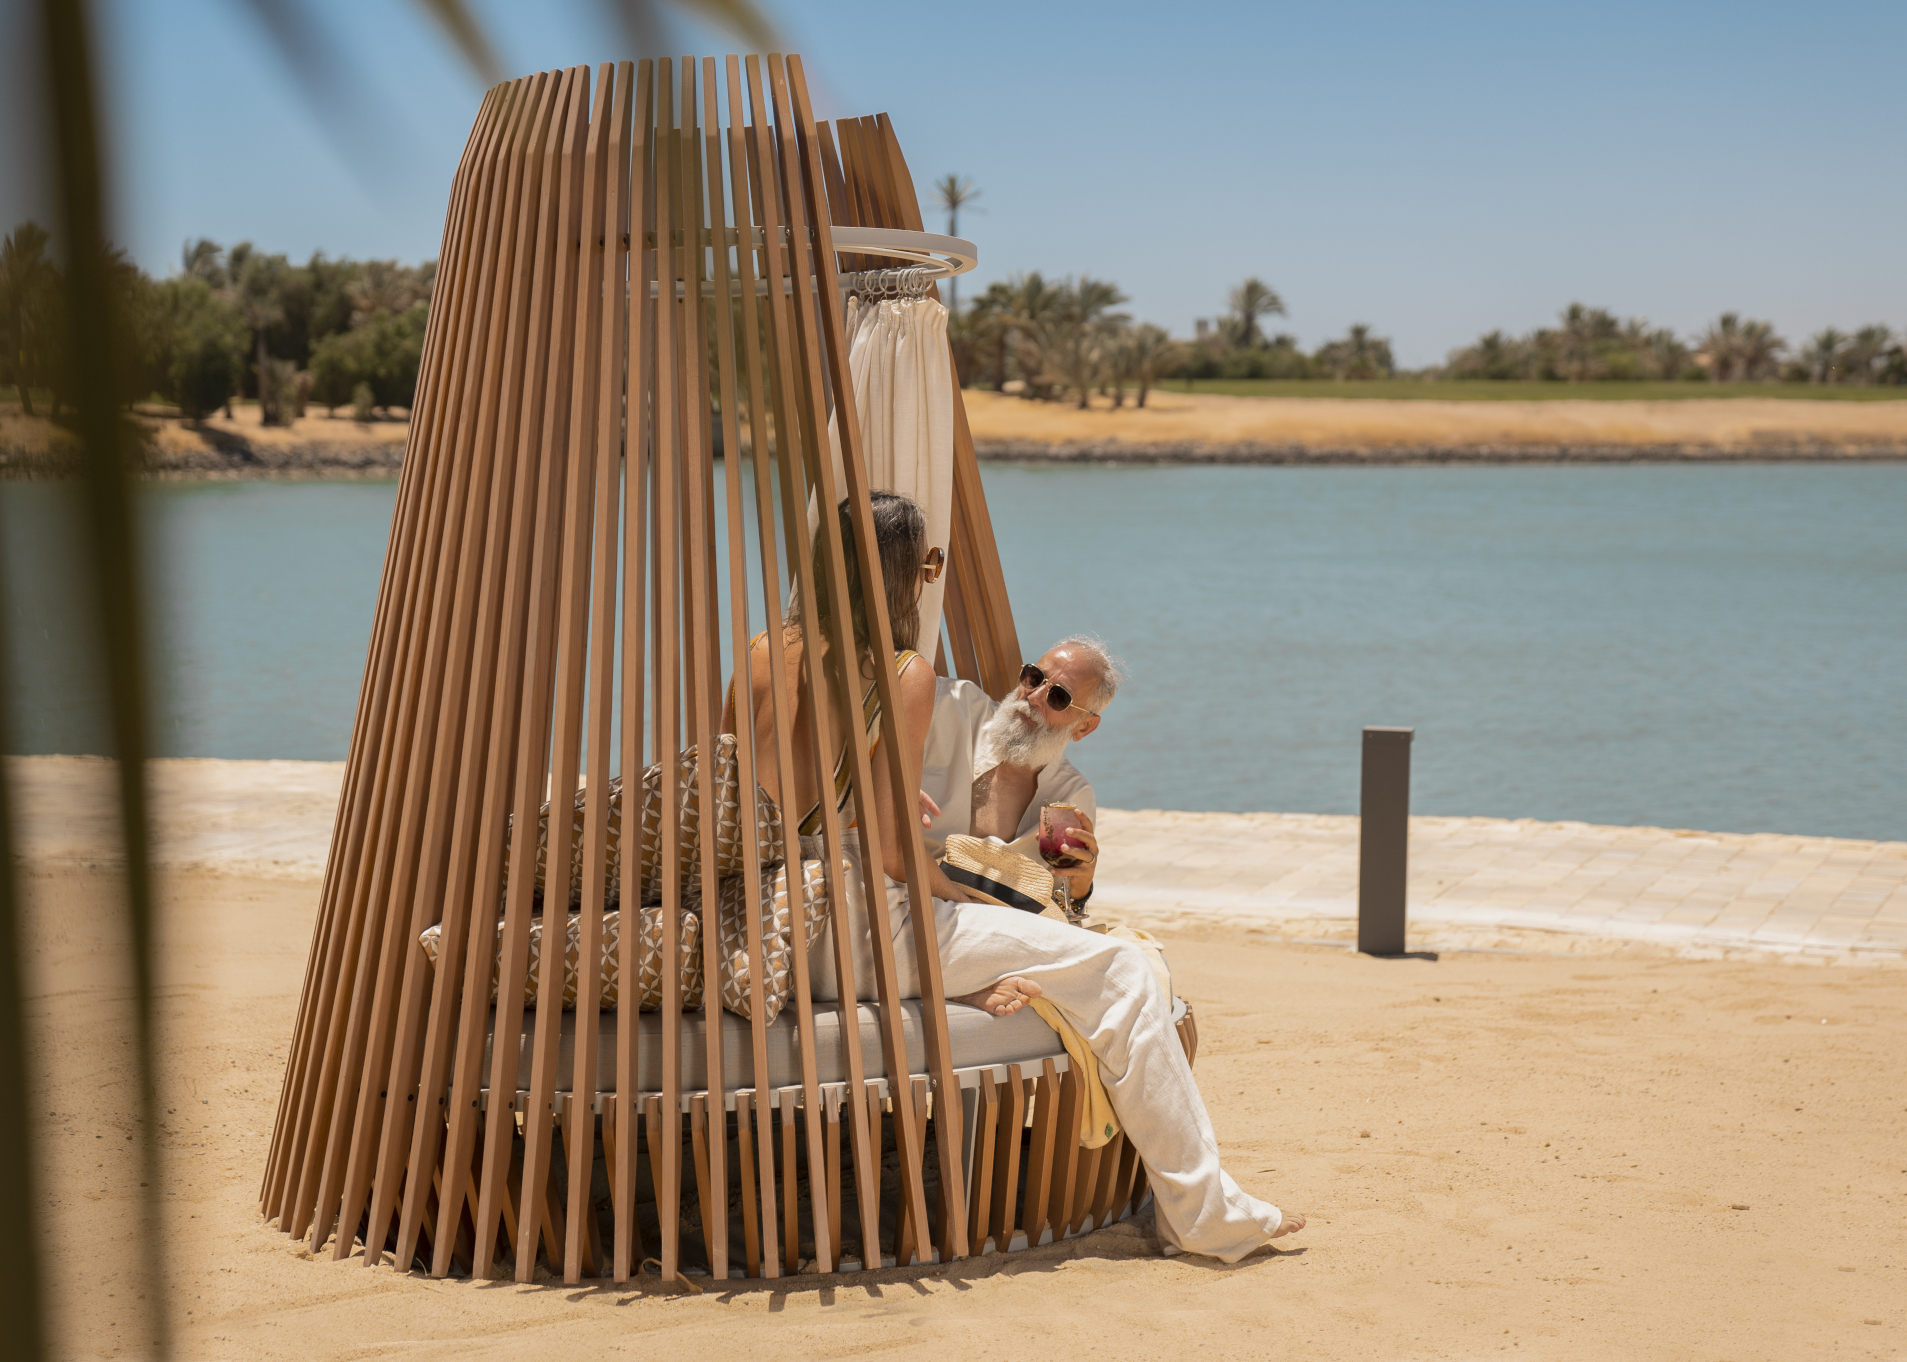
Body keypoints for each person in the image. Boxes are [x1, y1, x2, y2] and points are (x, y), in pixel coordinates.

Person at [724, 491, 1303, 1264]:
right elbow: (895, 859)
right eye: (923, 567)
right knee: (1126, 968)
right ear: (899, 578)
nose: (1033, 695)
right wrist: (957, 891)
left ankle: (1205, 1207)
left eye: (1056, 695)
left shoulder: (760, 653)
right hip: (864, 932)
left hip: (779, 925)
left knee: (1083, 960)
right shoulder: (904, 676)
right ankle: (1203, 1214)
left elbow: (728, 791)